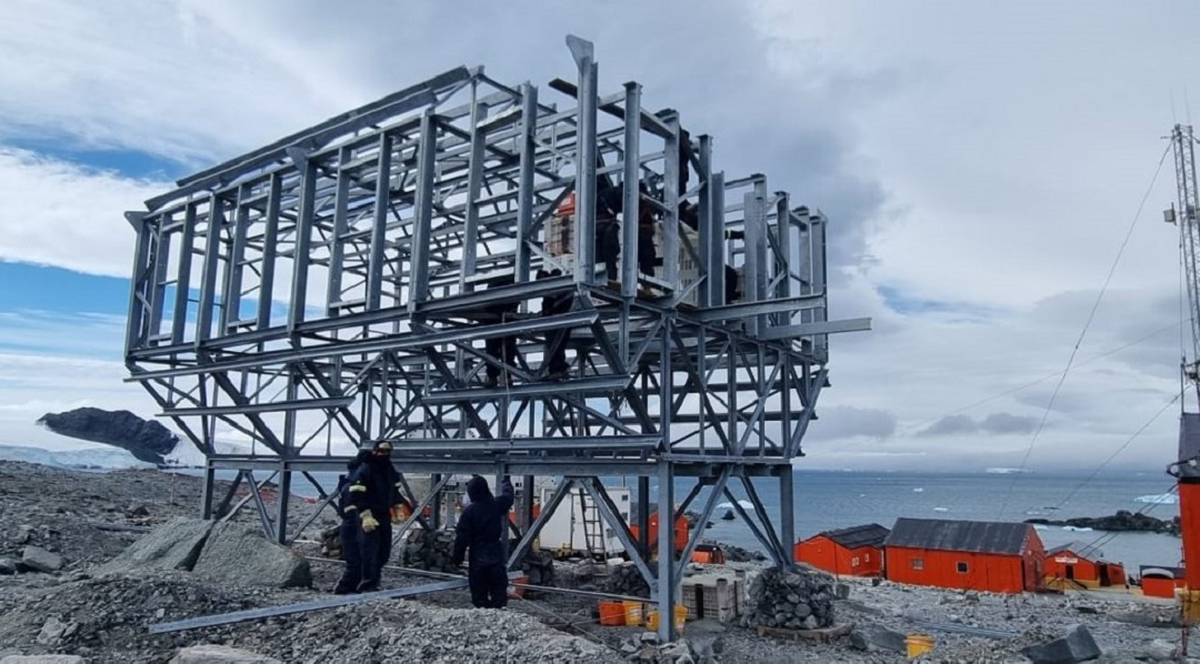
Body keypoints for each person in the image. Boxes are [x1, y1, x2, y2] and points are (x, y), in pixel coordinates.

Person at [346, 440, 405, 592]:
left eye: (387, 452)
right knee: (370, 552)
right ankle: (367, 586)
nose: (383, 454)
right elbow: (356, 494)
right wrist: (365, 515)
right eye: (381, 451)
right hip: (369, 515)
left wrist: (398, 507)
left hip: (384, 514)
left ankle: (374, 582)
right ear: (375, 451)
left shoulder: (389, 469)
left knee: (383, 552)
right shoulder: (366, 470)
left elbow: (395, 490)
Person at [452, 475, 515, 609]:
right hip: (496, 552)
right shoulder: (496, 505)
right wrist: (506, 481)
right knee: (499, 595)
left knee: (479, 597)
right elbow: (508, 497)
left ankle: (484, 617)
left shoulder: (469, 512)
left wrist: (456, 559)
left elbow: (461, 538)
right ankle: (499, 617)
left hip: (478, 555)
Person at [332, 449, 372, 594]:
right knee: (356, 560)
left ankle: (353, 587)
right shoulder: (354, 484)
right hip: (354, 525)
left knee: (358, 560)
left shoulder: (351, 480)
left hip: (352, 525)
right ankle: (345, 587)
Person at [482, 274, 520, 388]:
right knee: (502, 348)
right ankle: (500, 376)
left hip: (500, 319)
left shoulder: (501, 283)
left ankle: (500, 377)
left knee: (502, 348)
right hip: (497, 319)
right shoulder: (506, 283)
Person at [537, 269, 572, 380]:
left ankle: (557, 369)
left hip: (557, 321)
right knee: (558, 345)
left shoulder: (552, 288)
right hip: (563, 319)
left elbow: (549, 307)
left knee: (555, 345)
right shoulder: (560, 286)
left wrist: (545, 313)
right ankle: (558, 369)